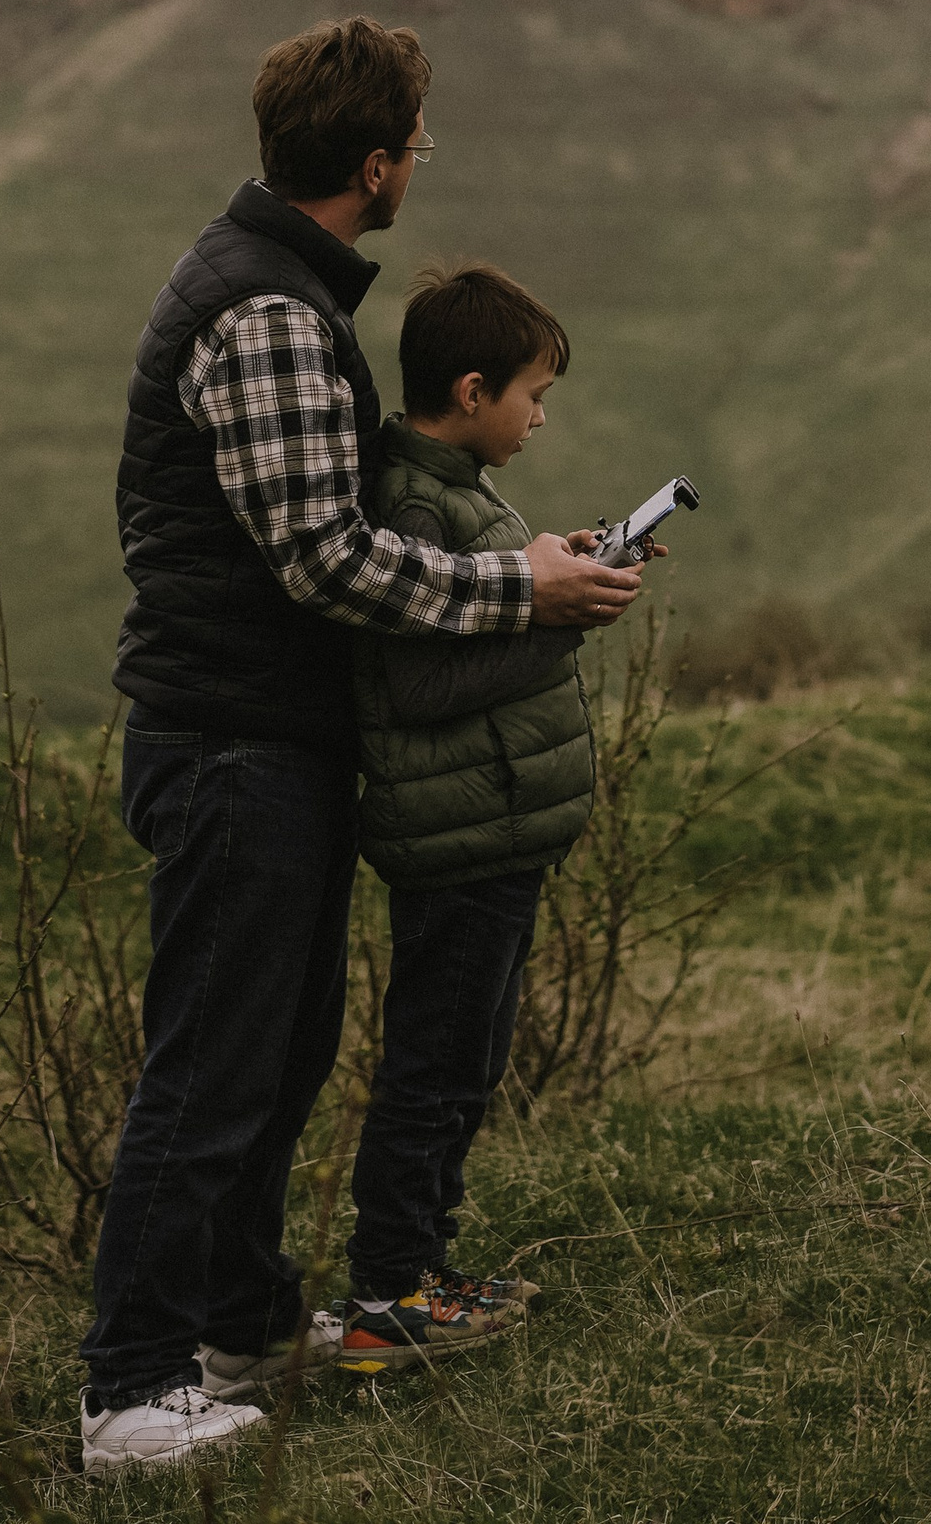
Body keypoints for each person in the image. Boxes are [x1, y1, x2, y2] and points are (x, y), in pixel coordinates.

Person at [76, 19, 641, 1479]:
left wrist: (528, 559)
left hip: (276, 741)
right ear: (376, 163)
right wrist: (523, 587)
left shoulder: (280, 287)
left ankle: (238, 1330)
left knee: (276, 1049)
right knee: (211, 1065)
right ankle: (130, 1387)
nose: (414, 175)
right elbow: (324, 561)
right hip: (230, 742)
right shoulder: (264, 312)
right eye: (414, 152)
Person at [338, 265, 598, 1376]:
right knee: (434, 1062)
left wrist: (565, 573)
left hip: (491, 834)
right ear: (474, 385)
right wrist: (559, 621)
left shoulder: (454, 487)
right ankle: (384, 1296)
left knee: (471, 1053)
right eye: (534, 392)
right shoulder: (416, 501)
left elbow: (481, 619)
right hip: (456, 842)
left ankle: (427, 1273)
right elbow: (418, 688)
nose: (542, 415)